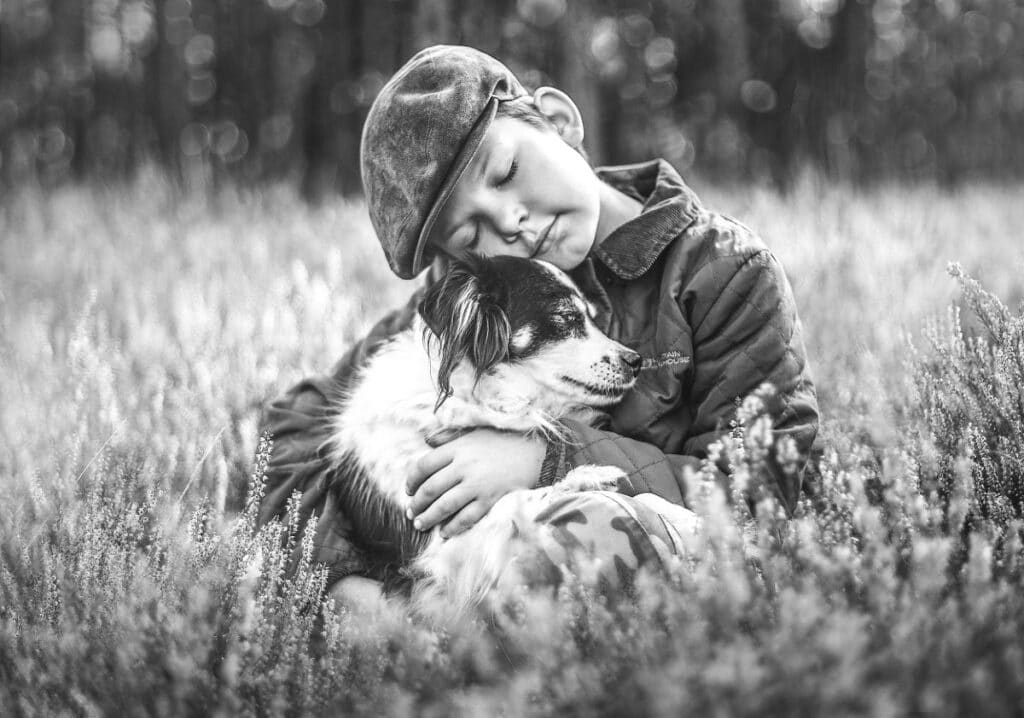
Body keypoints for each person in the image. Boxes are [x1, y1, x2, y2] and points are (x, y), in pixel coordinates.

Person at [257, 45, 818, 606]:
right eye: (470, 235)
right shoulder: (480, 305)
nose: (509, 223)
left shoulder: (724, 273)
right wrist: (348, 583)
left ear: (559, 121)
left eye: (505, 173)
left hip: (670, 582)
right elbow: (291, 425)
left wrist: (548, 459)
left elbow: (755, 497)